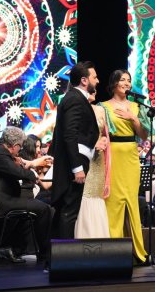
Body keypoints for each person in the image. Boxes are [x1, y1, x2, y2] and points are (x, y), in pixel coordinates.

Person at [0, 127, 53, 264]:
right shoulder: (0, 154)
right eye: (20, 147)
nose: (19, 150)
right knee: (44, 209)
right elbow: (18, 173)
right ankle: (44, 255)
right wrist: (31, 173)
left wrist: (18, 164)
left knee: (27, 207)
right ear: (15, 145)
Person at [50, 61, 102, 239]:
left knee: (67, 209)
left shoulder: (75, 98)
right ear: (84, 80)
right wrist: (77, 168)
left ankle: (57, 252)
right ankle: (63, 253)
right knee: (70, 210)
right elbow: (70, 134)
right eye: (94, 77)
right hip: (74, 162)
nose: (97, 81)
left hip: (75, 160)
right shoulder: (75, 99)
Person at [100, 69, 147, 262]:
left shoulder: (137, 106)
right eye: (122, 80)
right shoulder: (102, 106)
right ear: (114, 83)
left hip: (130, 154)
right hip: (111, 153)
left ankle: (137, 252)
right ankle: (114, 252)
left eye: (128, 80)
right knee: (113, 202)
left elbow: (144, 135)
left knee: (131, 201)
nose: (126, 83)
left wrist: (133, 118)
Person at [75, 90, 111, 238]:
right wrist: (92, 144)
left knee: (96, 194)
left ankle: (99, 238)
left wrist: (104, 140)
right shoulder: (76, 108)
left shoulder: (101, 110)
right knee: (85, 194)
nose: (94, 91)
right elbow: (72, 135)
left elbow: (105, 133)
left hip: (98, 159)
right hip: (83, 157)